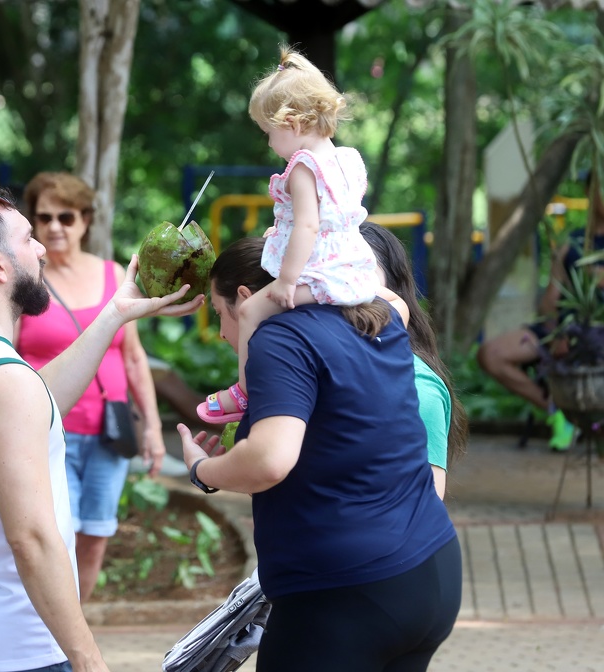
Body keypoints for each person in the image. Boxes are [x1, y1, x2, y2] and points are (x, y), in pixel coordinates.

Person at [0, 188, 203, 672]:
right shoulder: (4, 382)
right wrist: (86, 656)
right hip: (15, 648)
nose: (42, 248)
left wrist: (115, 313)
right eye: (29, 238)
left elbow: (24, 409)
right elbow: (32, 538)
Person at [179, 237, 461, 671]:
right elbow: (390, 295)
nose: (219, 331)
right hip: (429, 574)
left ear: (244, 298)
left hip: (350, 592)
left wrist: (203, 469)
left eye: (220, 313)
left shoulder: (283, 338)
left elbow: (269, 460)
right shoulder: (375, 320)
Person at [197, 45, 405, 424]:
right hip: (353, 265)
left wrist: (286, 282)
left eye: (268, 132)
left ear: (291, 123)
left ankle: (245, 390)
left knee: (251, 310)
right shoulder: (347, 159)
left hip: (321, 273)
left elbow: (309, 225)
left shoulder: (304, 168)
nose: (270, 142)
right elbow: (328, 220)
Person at [14, 171, 167, 603]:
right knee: (55, 536)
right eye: (44, 218)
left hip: (109, 432)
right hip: (48, 432)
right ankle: (48, 636)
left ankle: (71, 632)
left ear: (84, 221)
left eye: (66, 216)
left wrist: (152, 427)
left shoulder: (113, 273)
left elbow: (133, 356)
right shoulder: (26, 282)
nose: (56, 227)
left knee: (96, 534)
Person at [477, 175, 604, 447]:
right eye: (598, 186)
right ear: (588, 192)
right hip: (567, 333)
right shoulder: (573, 243)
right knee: (491, 354)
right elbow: (550, 302)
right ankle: (561, 411)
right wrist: (557, 332)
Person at [360, 221, 469, 498]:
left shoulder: (417, 386)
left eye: (360, 271)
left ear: (393, 288)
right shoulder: (320, 368)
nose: (343, 286)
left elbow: (425, 504)